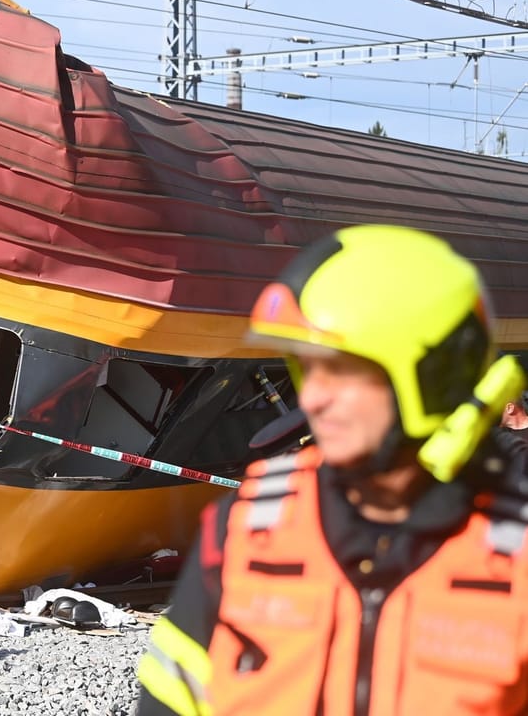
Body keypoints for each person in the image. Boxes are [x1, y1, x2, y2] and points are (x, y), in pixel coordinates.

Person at [136, 224, 528, 715]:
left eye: (341, 370)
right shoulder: (245, 531)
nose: (314, 399)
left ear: (433, 375)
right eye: (307, 369)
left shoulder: (516, 550)